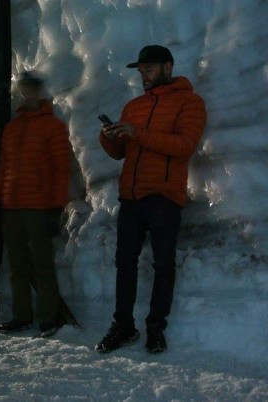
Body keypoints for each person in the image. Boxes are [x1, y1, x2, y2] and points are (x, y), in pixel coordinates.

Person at [95, 45, 207, 354]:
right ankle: (123, 326)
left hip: (164, 196)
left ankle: (156, 328)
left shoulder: (190, 102)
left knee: (163, 265)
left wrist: (139, 132)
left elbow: (184, 146)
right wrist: (109, 136)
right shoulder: (134, 107)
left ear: (167, 67)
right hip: (131, 197)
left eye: (149, 69)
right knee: (125, 264)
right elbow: (121, 153)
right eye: (141, 71)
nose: (143, 75)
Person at [0, 71, 72, 338]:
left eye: (31, 89)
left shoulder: (53, 127)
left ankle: (48, 317)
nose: (27, 94)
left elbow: (61, 169)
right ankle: (21, 315)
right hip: (11, 206)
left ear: (39, 91)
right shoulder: (13, 128)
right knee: (17, 265)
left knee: (43, 264)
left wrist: (56, 206)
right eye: (23, 90)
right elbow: (6, 167)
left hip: (39, 206)